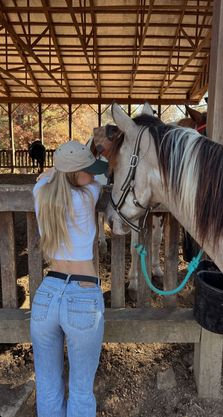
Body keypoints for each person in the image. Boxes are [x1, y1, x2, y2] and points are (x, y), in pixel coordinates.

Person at [30, 140, 108, 417]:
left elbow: (53, 177)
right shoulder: (89, 194)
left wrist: (52, 172)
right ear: (77, 175)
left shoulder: (40, 192)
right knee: (80, 389)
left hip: (46, 296)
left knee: (48, 386)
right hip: (82, 296)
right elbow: (106, 174)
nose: (91, 172)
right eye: (87, 168)